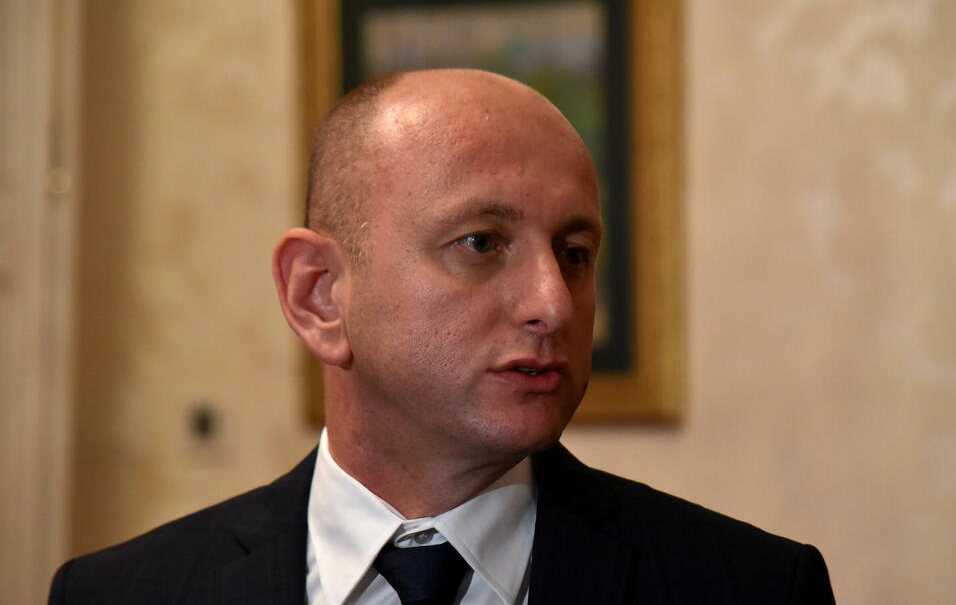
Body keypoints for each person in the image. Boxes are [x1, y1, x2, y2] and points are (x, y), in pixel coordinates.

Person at [48, 69, 835, 604]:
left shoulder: (753, 587)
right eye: (482, 243)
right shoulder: (120, 594)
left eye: (574, 253)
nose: (553, 305)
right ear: (320, 295)